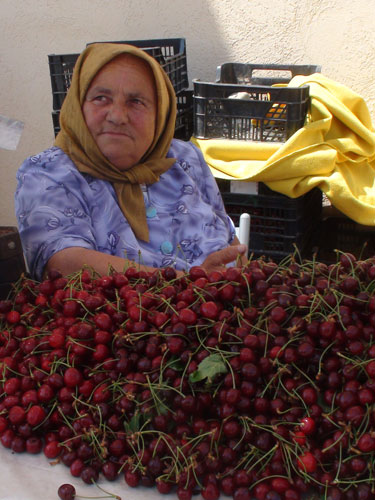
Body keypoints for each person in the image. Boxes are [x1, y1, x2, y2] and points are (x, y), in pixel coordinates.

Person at [15, 42, 247, 282]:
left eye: (136, 101)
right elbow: (63, 263)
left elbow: (230, 241)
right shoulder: (47, 172)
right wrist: (187, 283)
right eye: (101, 98)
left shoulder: (186, 159)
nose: (117, 116)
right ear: (78, 106)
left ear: (161, 113)